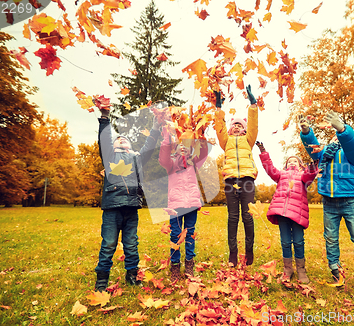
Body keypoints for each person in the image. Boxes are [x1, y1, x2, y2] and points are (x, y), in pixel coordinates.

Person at [299, 110, 354, 294]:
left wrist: (342, 129)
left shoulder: (351, 154)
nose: (335, 137)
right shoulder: (324, 154)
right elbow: (313, 148)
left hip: (349, 201)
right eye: (334, 134)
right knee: (331, 239)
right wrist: (307, 132)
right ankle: (335, 270)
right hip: (329, 203)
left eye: (338, 134)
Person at [94, 107, 162, 292]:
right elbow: (105, 141)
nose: (121, 139)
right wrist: (105, 118)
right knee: (108, 243)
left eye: (125, 139)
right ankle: (102, 280)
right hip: (112, 208)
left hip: (131, 207)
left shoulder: (136, 158)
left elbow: (149, 146)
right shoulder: (110, 157)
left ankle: (132, 275)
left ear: (131, 147)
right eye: (118, 139)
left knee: (131, 243)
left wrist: (156, 126)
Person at [256, 141, 318, 283]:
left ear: (300, 164)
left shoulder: (302, 175)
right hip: (282, 213)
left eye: (295, 161)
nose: (292, 162)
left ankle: (301, 269)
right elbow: (269, 168)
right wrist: (263, 152)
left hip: (297, 214)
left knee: (298, 241)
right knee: (285, 242)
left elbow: (310, 176)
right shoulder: (281, 175)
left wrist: (312, 167)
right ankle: (288, 268)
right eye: (289, 161)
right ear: (285, 165)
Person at [213, 85, 258, 267]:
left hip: (247, 180)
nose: (237, 127)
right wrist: (218, 108)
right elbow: (219, 128)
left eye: (240, 125)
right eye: (235, 125)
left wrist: (253, 104)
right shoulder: (226, 141)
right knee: (233, 217)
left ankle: (249, 251)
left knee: (247, 217)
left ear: (245, 129)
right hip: (231, 180)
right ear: (230, 130)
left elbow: (254, 125)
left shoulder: (249, 140)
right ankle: (233, 254)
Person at [159, 126, 208, 282]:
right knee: (175, 234)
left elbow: (204, 152)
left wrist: (201, 134)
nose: (184, 149)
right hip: (176, 205)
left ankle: (189, 265)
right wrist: (167, 135)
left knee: (190, 234)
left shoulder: (194, 164)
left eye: (187, 147)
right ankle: (175, 266)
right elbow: (163, 156)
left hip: (192, 204)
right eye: (181, 146)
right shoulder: (171, 165)